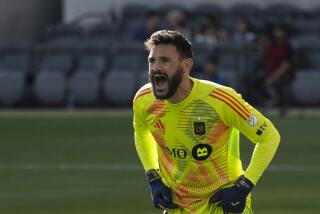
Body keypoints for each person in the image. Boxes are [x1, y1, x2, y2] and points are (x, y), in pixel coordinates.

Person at [133, 30, 280, 214]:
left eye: (165, 60)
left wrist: (243, 187)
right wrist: (153, 177)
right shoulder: (144, 100)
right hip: (177, 208)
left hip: (222, 207)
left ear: (186, 66)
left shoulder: (220, 99)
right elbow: (141, 131)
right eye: (152, 61)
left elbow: (269, 136)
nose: (156, 68)